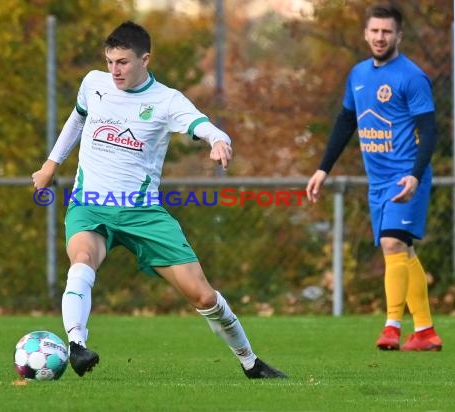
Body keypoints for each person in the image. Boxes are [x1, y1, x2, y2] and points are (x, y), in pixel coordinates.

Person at [32, 21, 287, 378]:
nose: (114, 70)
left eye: (122, 62)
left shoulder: (166, 101)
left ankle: (250, 362)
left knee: (204, 297)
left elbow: (202, 124)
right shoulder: (94, 84)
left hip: (143, 214)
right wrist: (49, 165)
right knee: (83, 260)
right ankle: (76, 345)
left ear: (145, 59)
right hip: (90, 204)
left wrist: (218, 141)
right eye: (109, 61)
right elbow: (77, 119)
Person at [306, 5, 442, 351]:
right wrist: (324, 168)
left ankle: (392, 326)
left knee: (392, 244)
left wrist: (414, 176)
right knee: (401, 251)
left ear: (399, 36)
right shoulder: (358, 74)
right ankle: (425, 331)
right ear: (366, 34)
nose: (380, 37)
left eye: (387, 31)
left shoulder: (411, 77)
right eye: (375, 31)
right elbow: (345, 121)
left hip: (406, 178)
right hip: (377, 181)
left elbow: (428, 131)